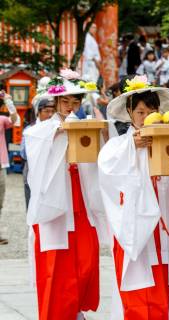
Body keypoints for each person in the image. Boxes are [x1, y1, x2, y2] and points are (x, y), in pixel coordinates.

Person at [24, 70, 108, 320]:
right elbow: (34, 145)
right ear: (56, 102)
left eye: (75, 101)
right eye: (65, 101)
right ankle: (58, 313)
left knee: (86, 262)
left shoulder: (85, 126)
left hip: (81, 201)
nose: (71, 106)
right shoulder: (42, 129)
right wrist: (57, 133)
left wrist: (103, 134)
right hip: (56, 206)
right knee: (56, 266)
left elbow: (103, 154)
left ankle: (77, 309)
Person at [99, 75, 169, 319]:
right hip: (136, 225)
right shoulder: (117, 147)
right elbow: (107, 171)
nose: (145, 118)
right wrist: (131, 147)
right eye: (140, 112)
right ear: (130, 113)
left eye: (151, 111)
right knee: (139, 290)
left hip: (168, 223)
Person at [21, 97, 55, 209]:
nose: (50, 115)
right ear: (38, 113)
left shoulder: (56, 128)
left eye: (52, 111)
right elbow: (23, 153)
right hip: (32, 169)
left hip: (50, 170)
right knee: (31, 203)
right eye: (46, 111)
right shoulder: (30, 129)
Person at [0, 92, 18, 245]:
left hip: (0, 165)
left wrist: (8, 102)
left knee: (0, 201)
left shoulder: (1, 120)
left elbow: (15, 121)